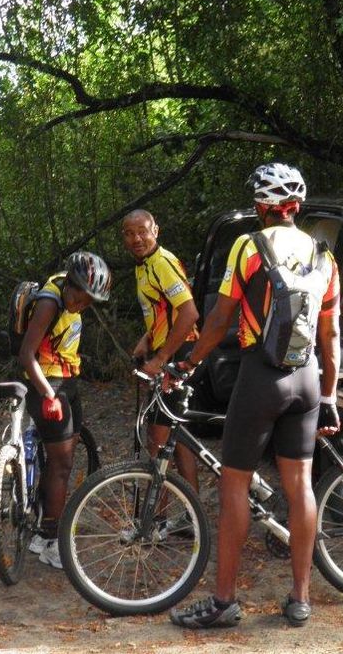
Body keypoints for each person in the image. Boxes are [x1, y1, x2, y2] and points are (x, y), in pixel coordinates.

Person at [168, 162, 341, 629]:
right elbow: (331, 335)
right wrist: (328, 395)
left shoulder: (248, 246)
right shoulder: (324, 255)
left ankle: (224, 601)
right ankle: (301, 598)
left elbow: (220, 320)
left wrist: (187, 364)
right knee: (300, 486)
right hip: (305, 379)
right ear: (296, 207)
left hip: (260, 376)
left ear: (261, 208)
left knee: (234, 485)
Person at [18, 250, 112, 570]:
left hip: (67, 379)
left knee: (60, 461)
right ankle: (55, 541)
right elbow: (26, 355)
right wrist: (48, 394)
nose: (82, 305)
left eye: (89, 303)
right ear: (69, 284)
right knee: (61, 464)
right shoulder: (50, 302)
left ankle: (43, 534)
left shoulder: (70, 293)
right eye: (80, 298)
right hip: (48, 383)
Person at [121, 209, 200, 494]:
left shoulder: (161, 263)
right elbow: (165, 308)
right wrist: (147, 338)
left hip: (178, 354)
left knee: (157, 438)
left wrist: (160, 358)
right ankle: (190, 513)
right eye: (130, 234)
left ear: (156, 230)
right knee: (175, 437)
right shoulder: (144, 264)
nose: (137, 238)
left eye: (142, 231)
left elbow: (189, 313)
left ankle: (156, 518)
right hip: (169, 349)